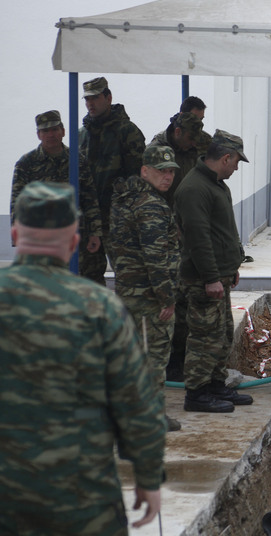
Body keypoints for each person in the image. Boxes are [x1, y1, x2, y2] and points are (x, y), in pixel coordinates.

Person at [0, 182, 165, 534]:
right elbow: (137, 404)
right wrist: (149, 477)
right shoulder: (100, 308)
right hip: (82, 500)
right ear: (74, 242)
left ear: (14, 234)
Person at [174, 130, 251, 413]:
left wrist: (230, 267)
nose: (236, 168)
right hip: (203, 278)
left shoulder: (215, 184)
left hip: (219, 274)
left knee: (221, 334)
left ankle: (215, 383)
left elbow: (222, 231)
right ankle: (196, 392)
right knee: (204, 336)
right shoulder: (195, 188)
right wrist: (210, 277)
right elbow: (198, 237)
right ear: (226, 158)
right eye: (236, 162)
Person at [109, 145, 182, 432]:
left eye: (171, 172)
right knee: (153, 357)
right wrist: (166, 298)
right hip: (149, 299)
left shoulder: (127, 197)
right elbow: (155, 258)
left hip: (130, 292)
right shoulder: (150, 205)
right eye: (161, 171)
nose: (167, 177)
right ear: (144, 171)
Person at [150, 108, 210, 382]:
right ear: (177, 133)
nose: (194, 144)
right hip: (164, 232)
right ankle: (171, 362)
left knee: (185, 300)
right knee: (171, 300)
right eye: (190, 139)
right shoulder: (158, 151)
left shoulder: (194, 145)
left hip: (187, 231)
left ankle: (181, 359)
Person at [10, 110, 103, 269]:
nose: (51, 134)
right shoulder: (27, 163)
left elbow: (90, 198)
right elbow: (17, 203)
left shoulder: (77, 160)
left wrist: (95, 232)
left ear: (63, 131)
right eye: (45, 131)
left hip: (75, 236)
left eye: (55, 129)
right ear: (39, 134)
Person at [79, 76, 146, 285]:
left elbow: (138, 178)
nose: (90, 103)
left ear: (108, 98)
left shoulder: (127, 131)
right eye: (87, 99)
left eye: (95, 98)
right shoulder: (82, 135)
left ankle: (125, 318)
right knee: (88, 279)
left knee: (128, 277)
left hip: (118, 220)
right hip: (89, 221)